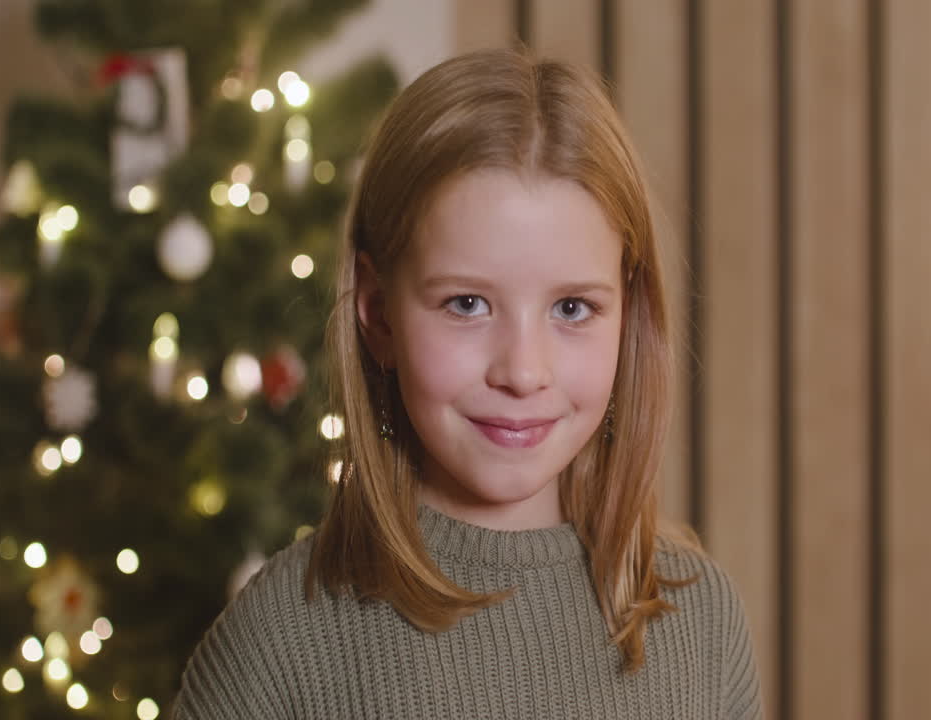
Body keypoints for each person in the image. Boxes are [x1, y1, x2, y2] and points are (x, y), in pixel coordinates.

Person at [173, 47, 762, 720]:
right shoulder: (279, 645)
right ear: (377, 314)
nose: (522, 371)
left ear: (627, 317)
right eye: (467, 304)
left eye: (572, 309)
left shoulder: (704, 628)